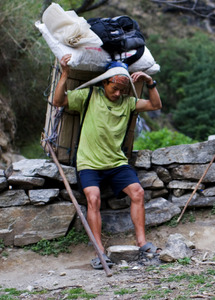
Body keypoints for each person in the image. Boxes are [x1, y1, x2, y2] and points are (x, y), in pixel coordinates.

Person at [53, 54, 162, 269]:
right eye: (115, 88)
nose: (119, 92)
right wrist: (65, 74)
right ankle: (99, 251)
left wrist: (150, 82)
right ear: (105, 82)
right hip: (89, 163)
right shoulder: (89, 96)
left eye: (123, 89)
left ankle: (142, 242)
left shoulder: (128, 102)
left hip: (116, 163)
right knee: (93, 199)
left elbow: (155, 105)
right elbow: (59, 101)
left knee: (138, 193)